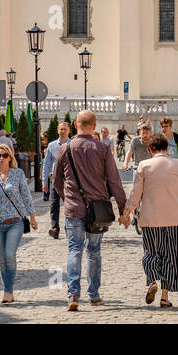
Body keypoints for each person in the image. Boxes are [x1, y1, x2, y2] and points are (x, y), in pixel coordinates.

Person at [52, 109, 127, 311]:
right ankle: (93, 295)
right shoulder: (102, 149)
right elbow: (114, 181)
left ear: (75, 126)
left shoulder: (65, 149)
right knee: (93, 251)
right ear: (94, 127)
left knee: (74, 249)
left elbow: (56, 180)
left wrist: (67, 197)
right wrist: (123, 209)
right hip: (98, 210)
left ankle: (73, 294)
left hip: (74, 209)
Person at [121, 133, 178, 308]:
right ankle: (164, 296)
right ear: (167, 148)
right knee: (173, 256)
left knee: (151, 253)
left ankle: (152, 281)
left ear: (150, 149)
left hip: (150, 218)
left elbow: (136, 193)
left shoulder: (144, 165)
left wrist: (127, 212)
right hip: (176, 219)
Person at [0, 143, 37, 303]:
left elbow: (26, 196)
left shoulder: (18, 173)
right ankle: (7, 288)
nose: (1, 158)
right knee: (1, 259)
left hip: (15, 222)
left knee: (9, 255)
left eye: (4, 155)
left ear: (10, 158)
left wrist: (32, 217)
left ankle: (8, 291)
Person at [41, 121, 72, 238]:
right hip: (55, 179)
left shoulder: (72, 144)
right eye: (61, 129)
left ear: (69, 131)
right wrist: (45, 182)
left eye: (65, 129)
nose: (63, 131)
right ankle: (55, 227)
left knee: (69, 204)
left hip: (68, 180)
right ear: (58, 131)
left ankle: (69, 227)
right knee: (54, 204)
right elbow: (46, 164)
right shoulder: (52, 145)